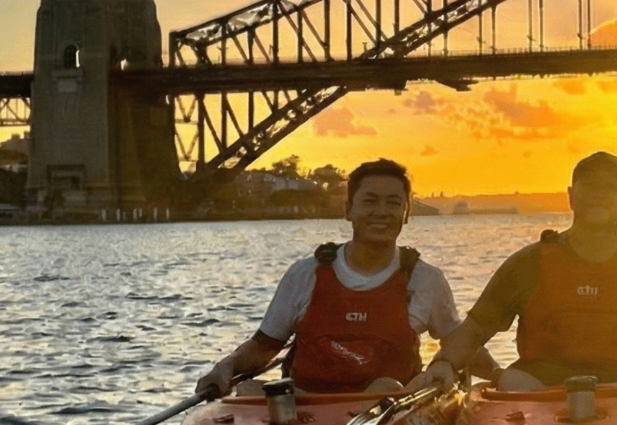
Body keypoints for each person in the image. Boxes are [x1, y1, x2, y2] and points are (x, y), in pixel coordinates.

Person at [411, 151, 617, 392]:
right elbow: (476, 329)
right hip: (534, 392)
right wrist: (446, 363)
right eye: (590, 186)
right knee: (512, 381)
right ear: (571, 196)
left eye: (609, 187)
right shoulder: (529, 263)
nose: (599, 194)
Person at [195, 158, 491, 398]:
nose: (381, 212)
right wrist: (227, 366)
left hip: (385, 412)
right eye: (370, 201)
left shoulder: (425, 280)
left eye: (393, 203)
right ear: (349, 210)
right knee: (248, 391)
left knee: (385, 387)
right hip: (305, 406)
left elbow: (459, 345)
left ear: (406, 213)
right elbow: (264, 347)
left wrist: (501, 378)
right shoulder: (305, 273)